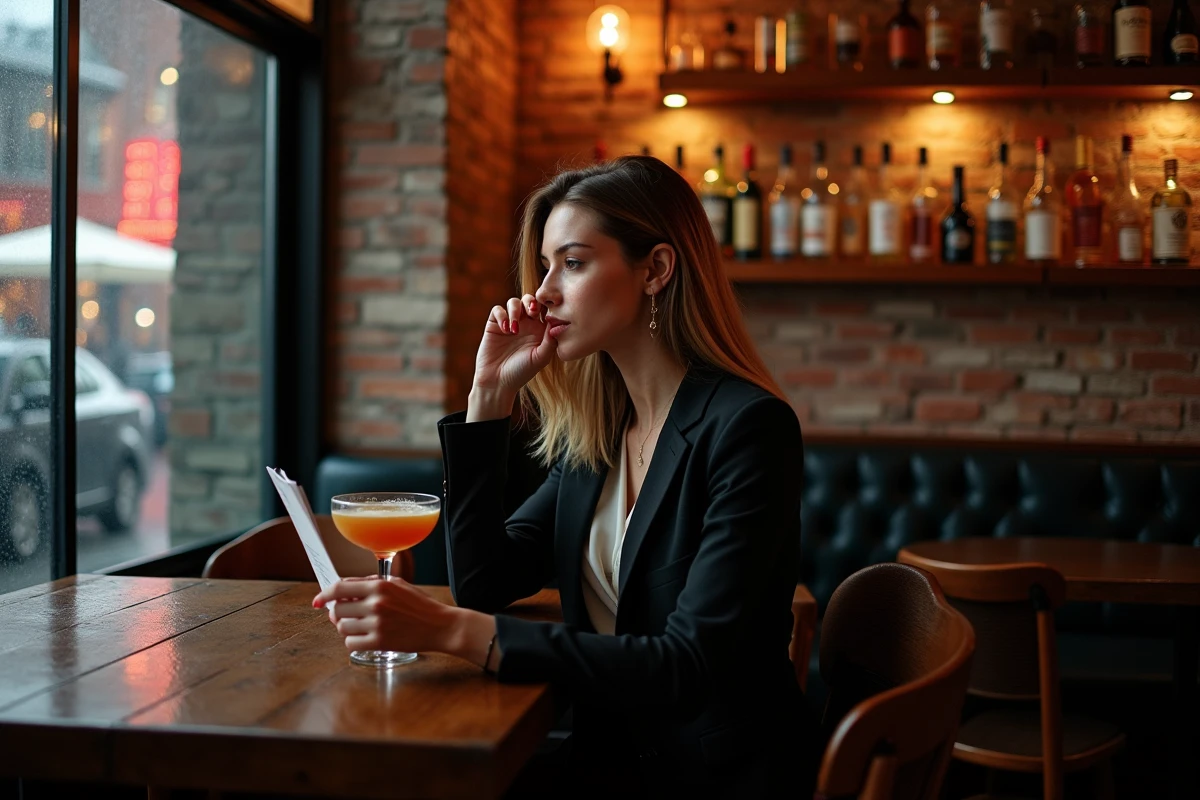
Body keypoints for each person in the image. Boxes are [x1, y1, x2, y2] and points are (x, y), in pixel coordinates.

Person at [314, 155, 816, 797]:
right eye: (546, 266)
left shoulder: (749, 428)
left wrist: (448, 632)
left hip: (716, 779)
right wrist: (487, 396)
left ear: (656, 270)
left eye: (573, 263)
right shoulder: (601, 436)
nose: (544, 291)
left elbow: (690, 667)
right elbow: (484, 582)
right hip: (611, 761)